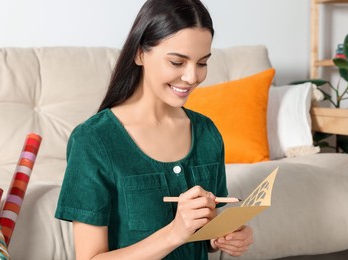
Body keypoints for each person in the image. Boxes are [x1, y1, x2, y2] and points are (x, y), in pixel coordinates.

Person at [55, 0, 253, 259]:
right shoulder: (93, 140)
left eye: (202, 63)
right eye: (177, 62)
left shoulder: (206, 133)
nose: (192, 77)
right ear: (139, 53)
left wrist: (220, 238)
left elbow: (203, 230)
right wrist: (174, 233)